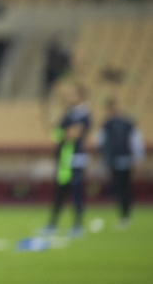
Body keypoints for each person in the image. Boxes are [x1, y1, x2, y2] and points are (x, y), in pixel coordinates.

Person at [43, 83, 91, 238]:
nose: (70, 97)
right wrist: (62, 132)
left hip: (76, 158)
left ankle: (77, 225)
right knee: (59, 192)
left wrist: (63, 133)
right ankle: (52, 224)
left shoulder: (84, 114)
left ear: (80, 96)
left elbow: (73, 134)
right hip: (64, 158)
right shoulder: (68, 114)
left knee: (76, 192)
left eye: (73, 94)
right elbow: (56, 134)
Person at [96, 98, 145, 228]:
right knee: (120, 188)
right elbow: (100, 142)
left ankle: (125, 215)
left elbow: (135, 141)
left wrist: (138, 158)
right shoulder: (109, 124)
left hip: (124, 159)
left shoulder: (125, 124)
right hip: (116, 160)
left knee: (124, 188)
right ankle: (124, 215)